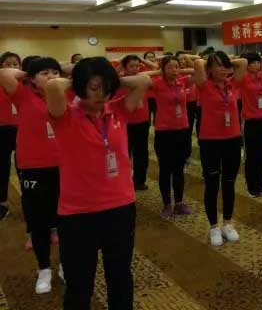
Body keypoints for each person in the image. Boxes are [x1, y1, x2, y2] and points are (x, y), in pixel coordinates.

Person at [45, 56, 149, 309]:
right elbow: (53, 86)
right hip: (78, 213)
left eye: (106, 88)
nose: (101, 94)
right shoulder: (65, 115)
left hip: (120, 207)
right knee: (80, 285)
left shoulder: (118, 110)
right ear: (80, 87)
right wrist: (81, 80)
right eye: (94, 88)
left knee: (120, 277)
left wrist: (110, 81)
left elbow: (144, 81)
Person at [0, 57, 63, 294]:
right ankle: (44, 269)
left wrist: (57, 78)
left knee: (68, 220)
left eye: (55, 72)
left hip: (65, 165)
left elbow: (79, 71)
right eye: (44, 73)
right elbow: (4, 73)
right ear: (31, 79)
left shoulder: (65, 95)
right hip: (33, 166)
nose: (51, 76)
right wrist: (30, 73)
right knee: (38, 221)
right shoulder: (23, 94)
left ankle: (66, 264)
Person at [194, 52, 247, 247]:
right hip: (210, 141)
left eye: (226, 66)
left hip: (232, 139)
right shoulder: (204, 85)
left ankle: (227, 223)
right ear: (209, 69)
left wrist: (225, 64)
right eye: (219, 66)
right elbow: (198, 62)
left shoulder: (233, 84)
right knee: (212, 184)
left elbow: (243, 62)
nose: (224, 69)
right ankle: (214, 226)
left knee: (229, 183)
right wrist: (211, 62)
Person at [148, 55, 197, 219]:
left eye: (176, 67)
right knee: (165, 169)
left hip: (182, 131)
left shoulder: (182, 81)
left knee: (179, 169)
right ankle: (167, 204)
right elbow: (139, 78)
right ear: (163, 69)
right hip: (164, 132)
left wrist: (180, 70)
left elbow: (199, 70)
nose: (174, 70)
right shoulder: (157, 83)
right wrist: (158, 72)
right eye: (170, 67)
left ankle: (179, 202)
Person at [237, 52, 262, 197]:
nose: (256, 65)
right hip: (250, 121)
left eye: (258, 62)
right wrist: (243, 61)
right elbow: (237, 63)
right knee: (251, 155)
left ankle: (259, 183)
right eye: (253, 63)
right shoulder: (243, 77)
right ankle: (251, 185)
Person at [119, 55, 152, 190]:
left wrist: (143, 60)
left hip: (142, 121)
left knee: (141, 153)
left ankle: (139, 181)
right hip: (125, 123)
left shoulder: (143, 79)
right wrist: (120, 66)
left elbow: (157, 69)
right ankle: (123, 182)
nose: (135, 69)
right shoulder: (120, 82)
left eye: (137, 66)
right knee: (124, 153)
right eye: (132, 66)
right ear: (125, 67)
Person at [0, 52, 20, 221]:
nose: (12, 67)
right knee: (2, 167)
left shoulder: (26, 85)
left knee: (23, 166)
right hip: (2, 130)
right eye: (8, 64)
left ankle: (29, 197)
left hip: (22, 130)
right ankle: (2, 202)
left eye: (15, 64)